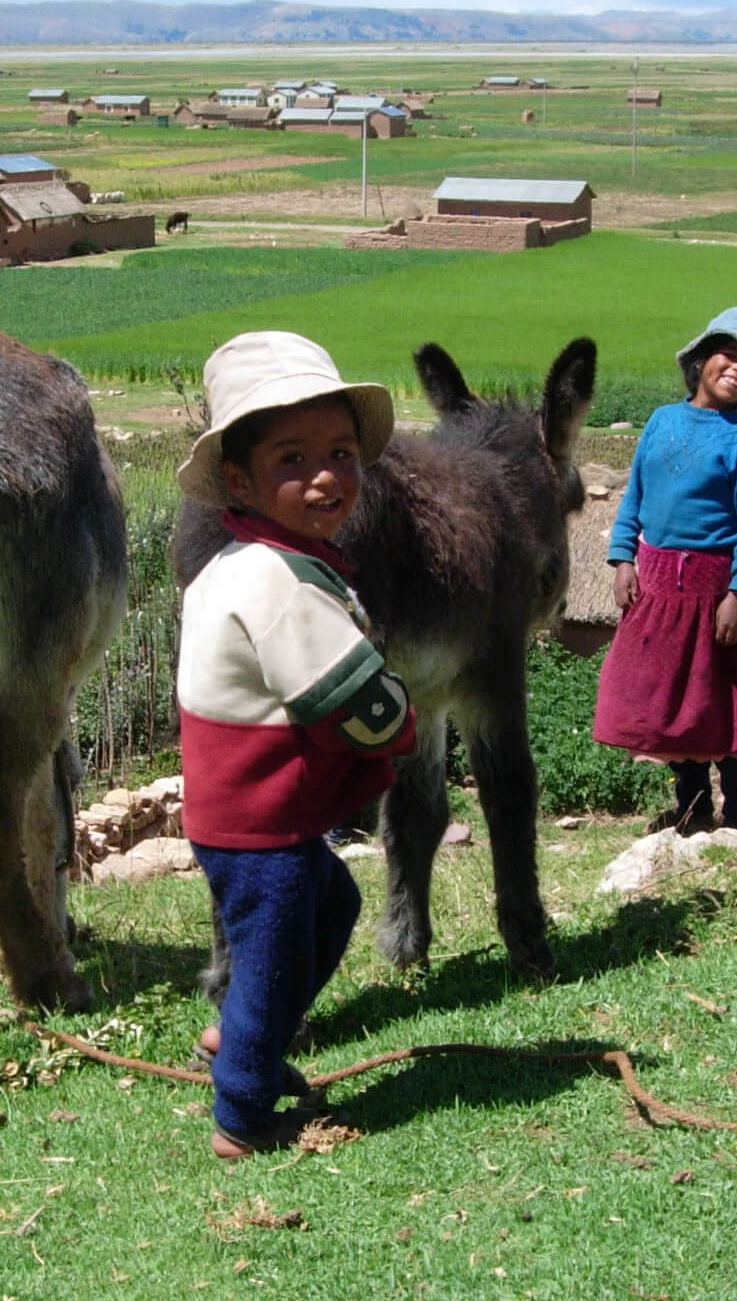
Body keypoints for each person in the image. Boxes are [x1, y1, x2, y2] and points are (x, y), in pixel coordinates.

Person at [175, 329, 416, 1158]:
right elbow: (352, 698)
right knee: (276, 942)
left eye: (342, 453)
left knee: (331, 903)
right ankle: (242, 1111)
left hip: (238, 809)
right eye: (293, 458)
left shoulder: (252, 561)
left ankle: (241, 1032)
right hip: (259, 821)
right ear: (238, 479)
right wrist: (402, 718)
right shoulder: (277, 584)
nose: (326, 476)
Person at [593, 306, 737, 834]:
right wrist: (623, 556)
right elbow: (637, 493)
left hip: (712, 591)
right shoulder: (661, 421)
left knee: (726, 705)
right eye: (729, 354)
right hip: (656, 588)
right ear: (701, 361)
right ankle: (693, 812)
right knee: (674, 701)